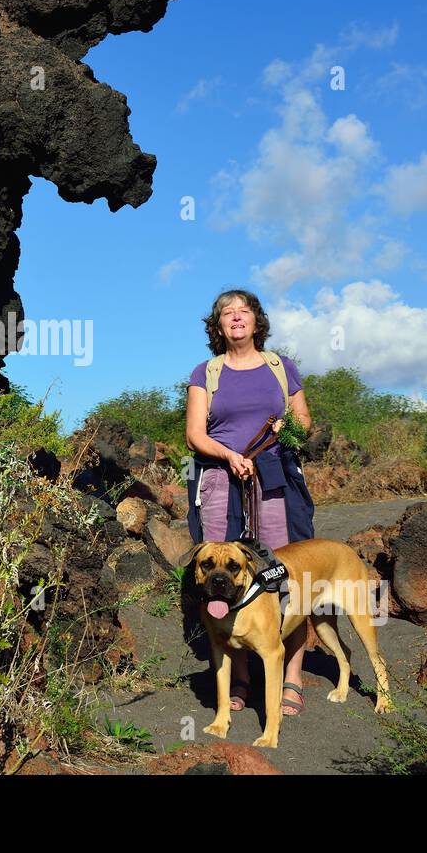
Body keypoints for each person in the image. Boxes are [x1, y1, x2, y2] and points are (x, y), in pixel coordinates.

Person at [184, 289, 315, 716]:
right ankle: (239, 677)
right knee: (223, 573)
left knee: (283, 572)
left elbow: (305, 423)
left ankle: (291, 675)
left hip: (274, 477)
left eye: (244, 312)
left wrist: (287, 424)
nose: (236, 318)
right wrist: (230, 455)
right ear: (218, 326)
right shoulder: (207, 372)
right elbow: (195, 435)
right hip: (221, 481)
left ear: (257, 322)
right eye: (227, 313)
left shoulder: (282, 368)